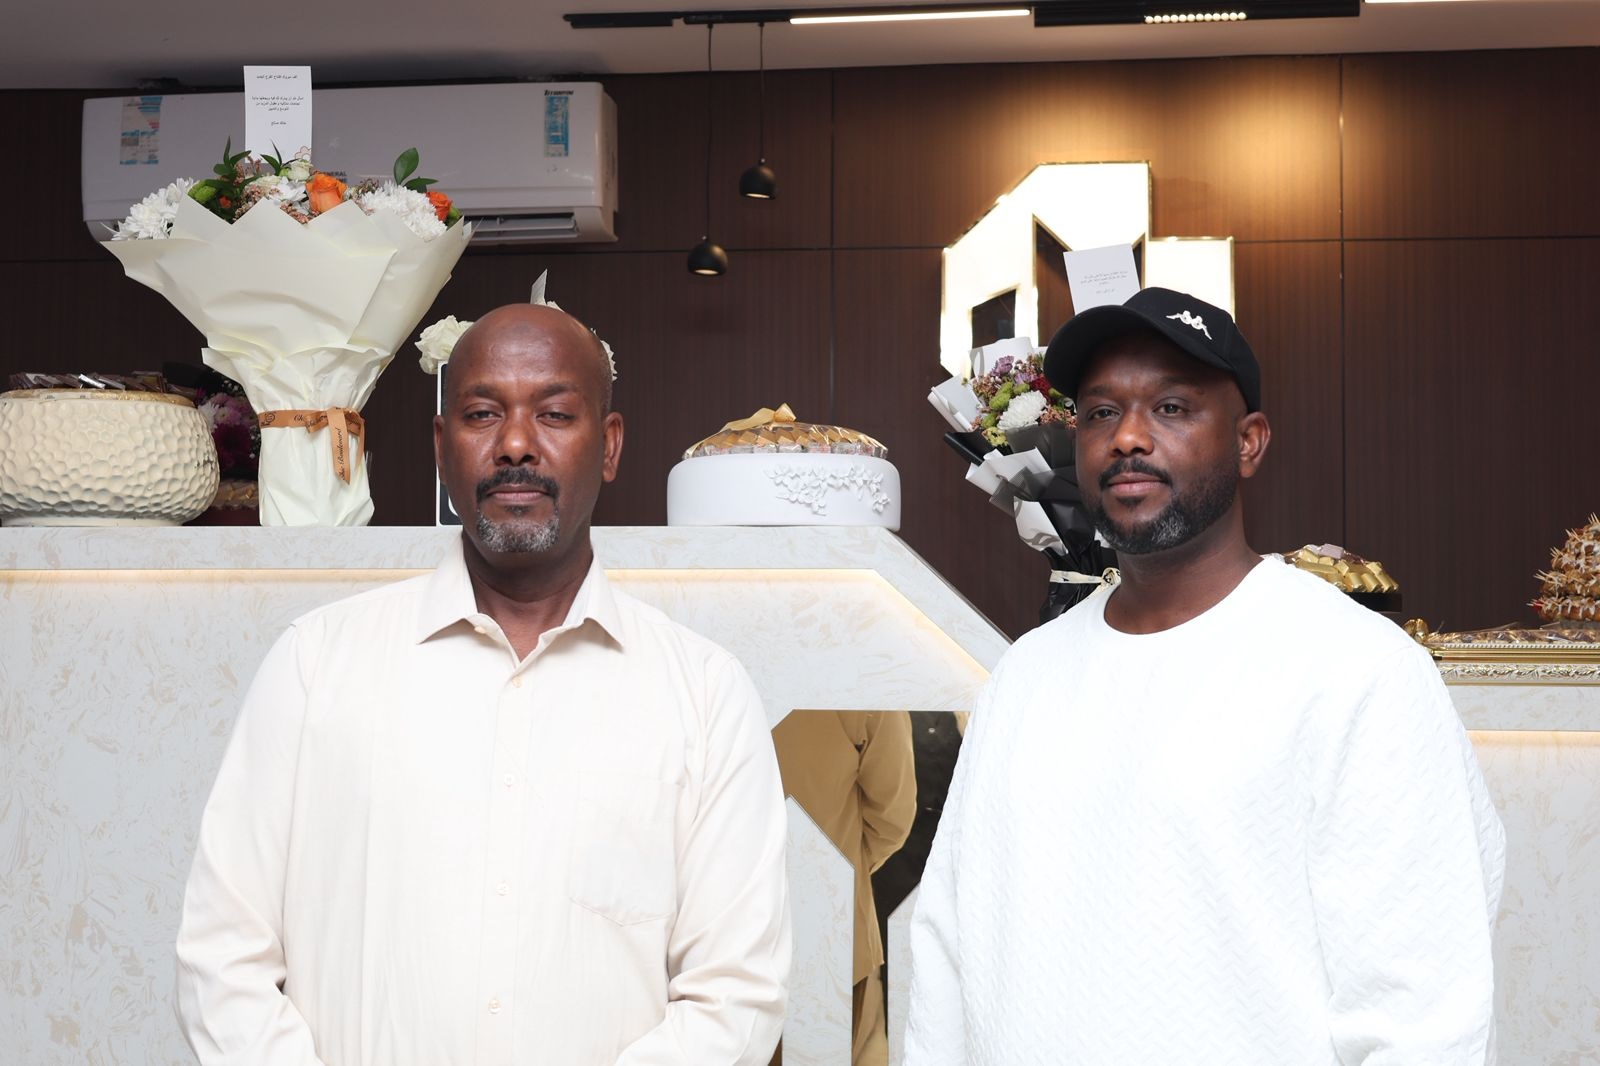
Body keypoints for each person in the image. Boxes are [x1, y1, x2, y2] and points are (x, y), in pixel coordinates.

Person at [175, 303, 791, 1065]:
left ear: (609, 445)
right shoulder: (317, 663)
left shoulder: (703, 693)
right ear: (442, 447)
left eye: (555, 414)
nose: (516, 445)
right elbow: (223, 956)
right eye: (482, 414)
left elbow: (736, 994)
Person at [903, 287, 1505, 1065]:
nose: (1127, 437)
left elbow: (1422, 1010)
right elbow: (949, 954)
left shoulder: (1356, 669)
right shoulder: (1026, 676)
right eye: (1100, 412)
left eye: (1172, 408)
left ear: (1249, 442)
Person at [770, 710, 917, 1065]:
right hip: (830, 927)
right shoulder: (868, 688)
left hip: (720, 933)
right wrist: (843, 866)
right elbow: (892, 821)